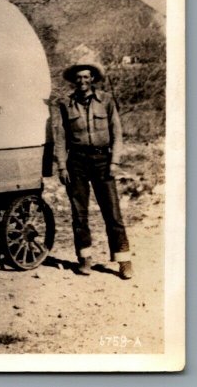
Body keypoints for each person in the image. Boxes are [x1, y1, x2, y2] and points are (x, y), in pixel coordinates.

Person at [52, 59, 133, 279]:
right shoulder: (65, 104)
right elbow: (60, 138)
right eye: (78, 77)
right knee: (79, 214)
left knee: (113, 213)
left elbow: (117, 133)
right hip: (76, 162)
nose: (82, 81)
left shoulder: (106, 100)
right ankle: (85, 259)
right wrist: (61, 166)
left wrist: (114, 161)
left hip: (102, 162)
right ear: (74, 81)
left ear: (93, 79)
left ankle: (123, 259)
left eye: (86, 77)